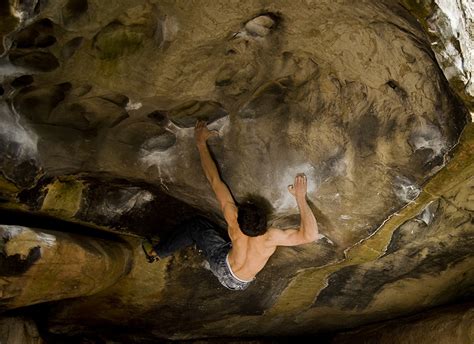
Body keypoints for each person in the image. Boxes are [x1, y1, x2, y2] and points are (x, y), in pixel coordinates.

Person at [142, 121, 319, 291]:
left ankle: (157, 252)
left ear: (240, 220)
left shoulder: (233, 221)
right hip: (241, 283)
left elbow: (215, 180)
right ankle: (158, 252)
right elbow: (310, 236)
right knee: (224, 244)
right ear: (264, 223)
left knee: (197, 226)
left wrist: (201, 143)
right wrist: (300, 198)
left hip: (222, 266)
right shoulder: (270, 238)